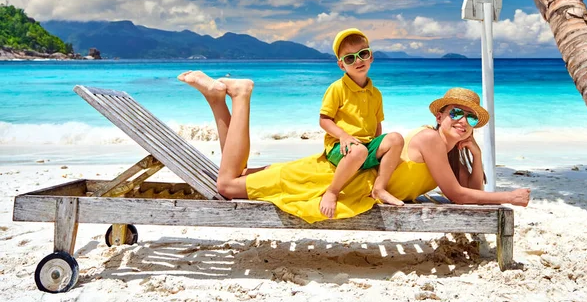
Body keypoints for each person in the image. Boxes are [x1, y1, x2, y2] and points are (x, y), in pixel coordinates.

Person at [177, 72, 530, 223]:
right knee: (227, 185)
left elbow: (470, 190)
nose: (462, 121)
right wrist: (509, 196)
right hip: (334, 181)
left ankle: (216, 100)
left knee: (233, 178)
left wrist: (477, 155)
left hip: (346, 183)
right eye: (456, 112)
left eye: (469, 117)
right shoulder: (427, 139)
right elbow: (458, 196)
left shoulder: (449, 150)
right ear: (440, 115)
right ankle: (239, 96)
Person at [319, 28, 405, 218]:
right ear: (341, 65)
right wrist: (343, 135)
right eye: (350, 58)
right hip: (340, 147)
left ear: (371, 57)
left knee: (396, 138)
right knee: (359, 150)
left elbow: (376, 125)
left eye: (362, 54)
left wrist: (380, 150)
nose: (358, 61)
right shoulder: (337, 88)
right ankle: (332, 192)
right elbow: (324, 120)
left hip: (365, 147)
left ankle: (379, 189)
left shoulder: (376, 93)